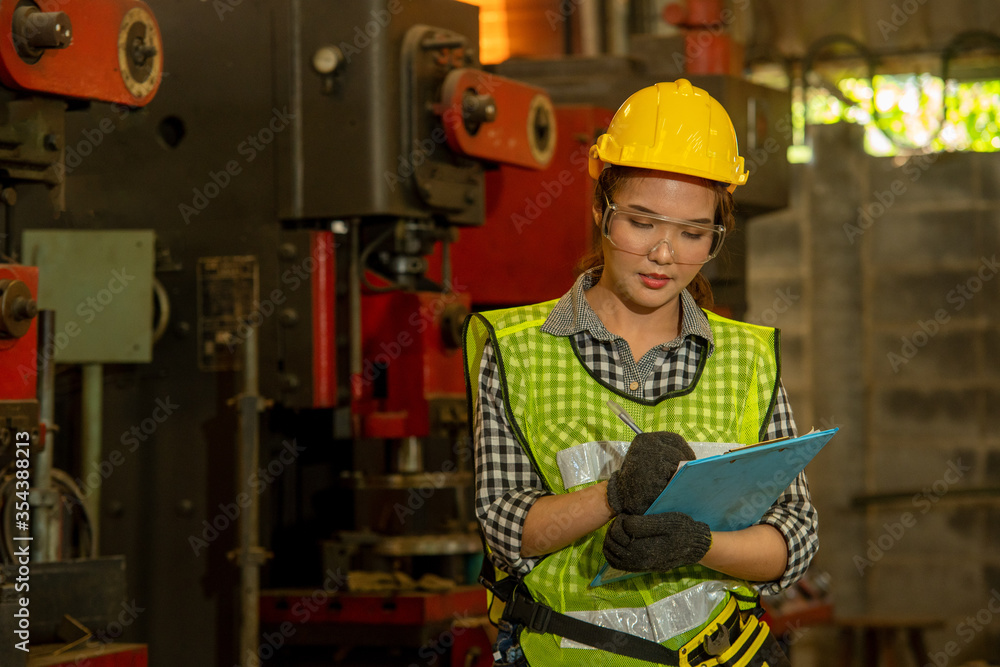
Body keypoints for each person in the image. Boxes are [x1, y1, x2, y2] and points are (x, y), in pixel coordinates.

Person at [462, 79, 817, 667]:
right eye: (642, 222)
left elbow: (794, 539)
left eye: (693, 233)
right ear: (602, 210)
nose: (664, 254)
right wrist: (614, 494)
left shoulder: (746, 358)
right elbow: (506, 529)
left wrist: (703, 546)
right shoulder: (518, 350)